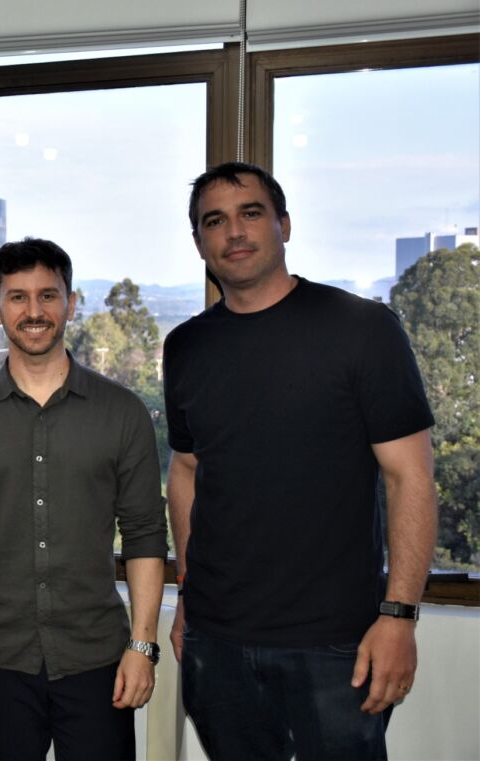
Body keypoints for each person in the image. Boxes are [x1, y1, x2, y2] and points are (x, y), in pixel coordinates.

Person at [164, 161, 437, 760]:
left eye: (250, 213)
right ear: (199, 242)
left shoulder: (362, 328)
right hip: (217, 642)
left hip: (337, 643)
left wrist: (399, 616)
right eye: (215, 221)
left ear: (283, 225)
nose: (234, 232)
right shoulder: (185, 346)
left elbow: (410, 477)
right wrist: (187, 592)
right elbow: (185, 471)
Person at [0, 238, 167, 761]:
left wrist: (142, 645)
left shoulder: (122, 413)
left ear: (71, 303)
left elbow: (146, 535)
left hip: (96, 657)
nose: (33, 311)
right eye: (18, 297)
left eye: (48, 295)